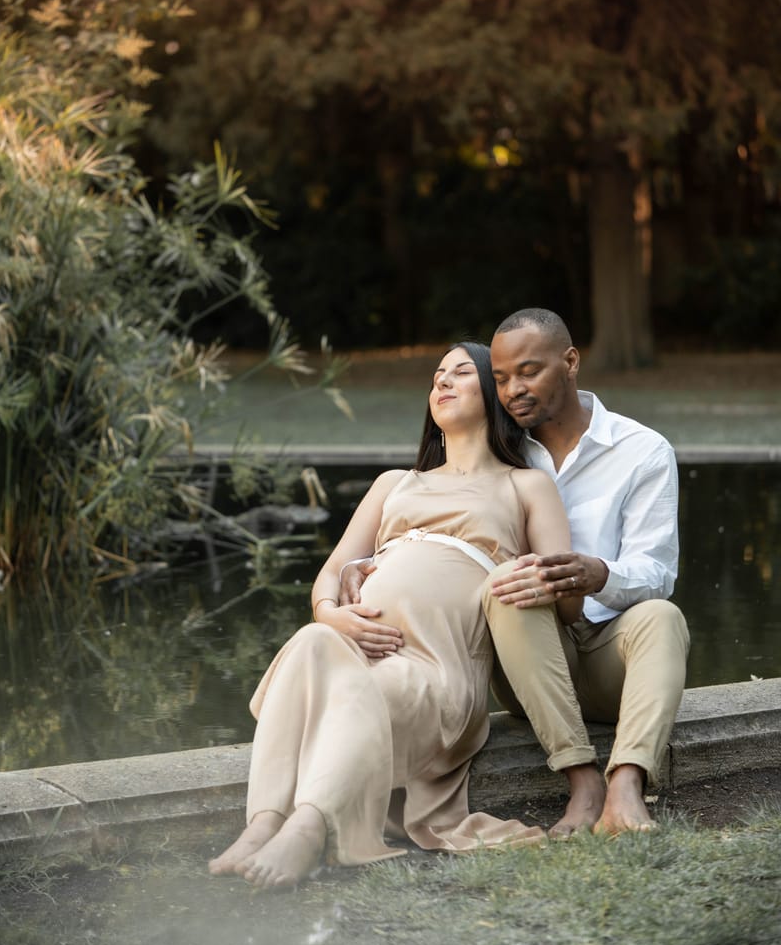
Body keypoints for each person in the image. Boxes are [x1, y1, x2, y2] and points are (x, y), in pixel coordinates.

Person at [209, 342, 578, 889]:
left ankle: (309, 826)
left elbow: (563, 600)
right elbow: (333, 571)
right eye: (437, 376)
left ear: (495, 393)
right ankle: (263, 822)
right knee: (311, 642)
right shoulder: (394, 483)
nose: (443, 383)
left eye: (460, 373)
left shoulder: (525, 485)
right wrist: (332, 614)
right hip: (361, 649)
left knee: (369, 690)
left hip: (439, 671)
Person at [484, 308, 690, 836]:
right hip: (528, 659)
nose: (513, 390)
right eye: (502, 378)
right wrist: (368, 562)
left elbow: (655, 571)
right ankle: (583, 782)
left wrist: (597, 573)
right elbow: (435, 518)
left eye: (529, 371)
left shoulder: (642, 451)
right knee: (512, 591)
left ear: (570, 361)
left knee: (662, 616)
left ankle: (626, 785)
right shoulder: (496, 452)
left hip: (608, 661)